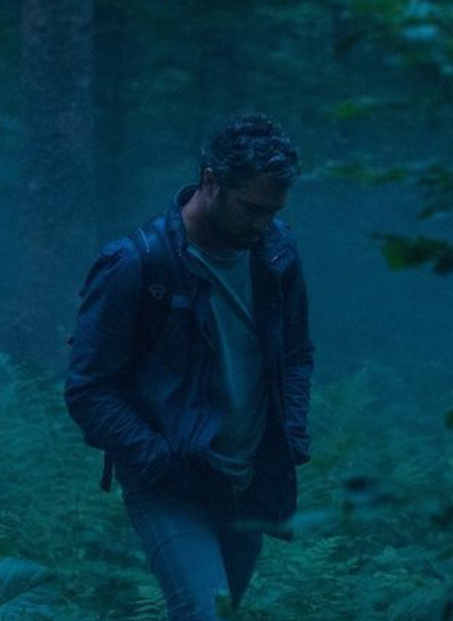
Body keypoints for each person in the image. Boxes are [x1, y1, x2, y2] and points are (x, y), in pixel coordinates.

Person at [65, 114, 314, 620]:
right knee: (204, 613)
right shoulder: (135, 265)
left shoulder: (276, 255)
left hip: (245, 480)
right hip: (170, 483)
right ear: (210, 181)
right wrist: (158, 460)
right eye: (251, 208)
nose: (261, 225)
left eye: (272, 212)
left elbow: (295, 354)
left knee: (218, 612)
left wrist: (290, 431)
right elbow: (89, 390)